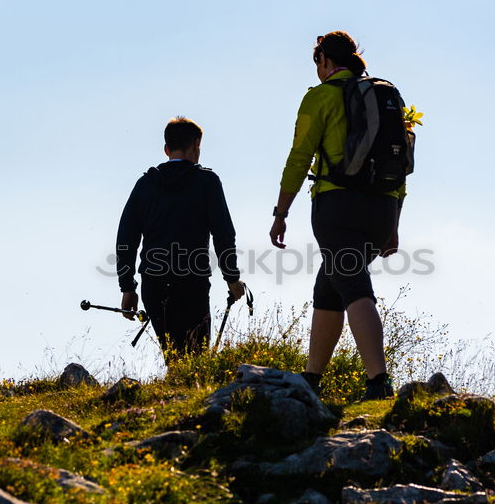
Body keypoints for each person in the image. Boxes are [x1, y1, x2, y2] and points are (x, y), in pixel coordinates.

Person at [269, 31, 406, 400]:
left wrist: (281, 212)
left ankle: (379, 382)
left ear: (324, 61)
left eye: (317, 63)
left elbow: (299, 158)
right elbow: (402, 163)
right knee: (329, 286)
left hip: (337, 207)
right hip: (382, 209)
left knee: (355, 287)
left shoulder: (322, 96)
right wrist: (394, 221)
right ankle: (311, 379)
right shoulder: (384, 96)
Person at [117, 117, 244, 359]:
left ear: (166, 149)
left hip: (153, 282)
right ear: (196, 144)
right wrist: (232, 278)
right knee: (195, 358)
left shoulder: (145, 185)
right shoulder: (207, 182)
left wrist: (127, 287)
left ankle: (173, 395)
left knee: (173, 356)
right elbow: (223, 233)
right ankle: (188, 396)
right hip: (191, 280)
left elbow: (126, 238)